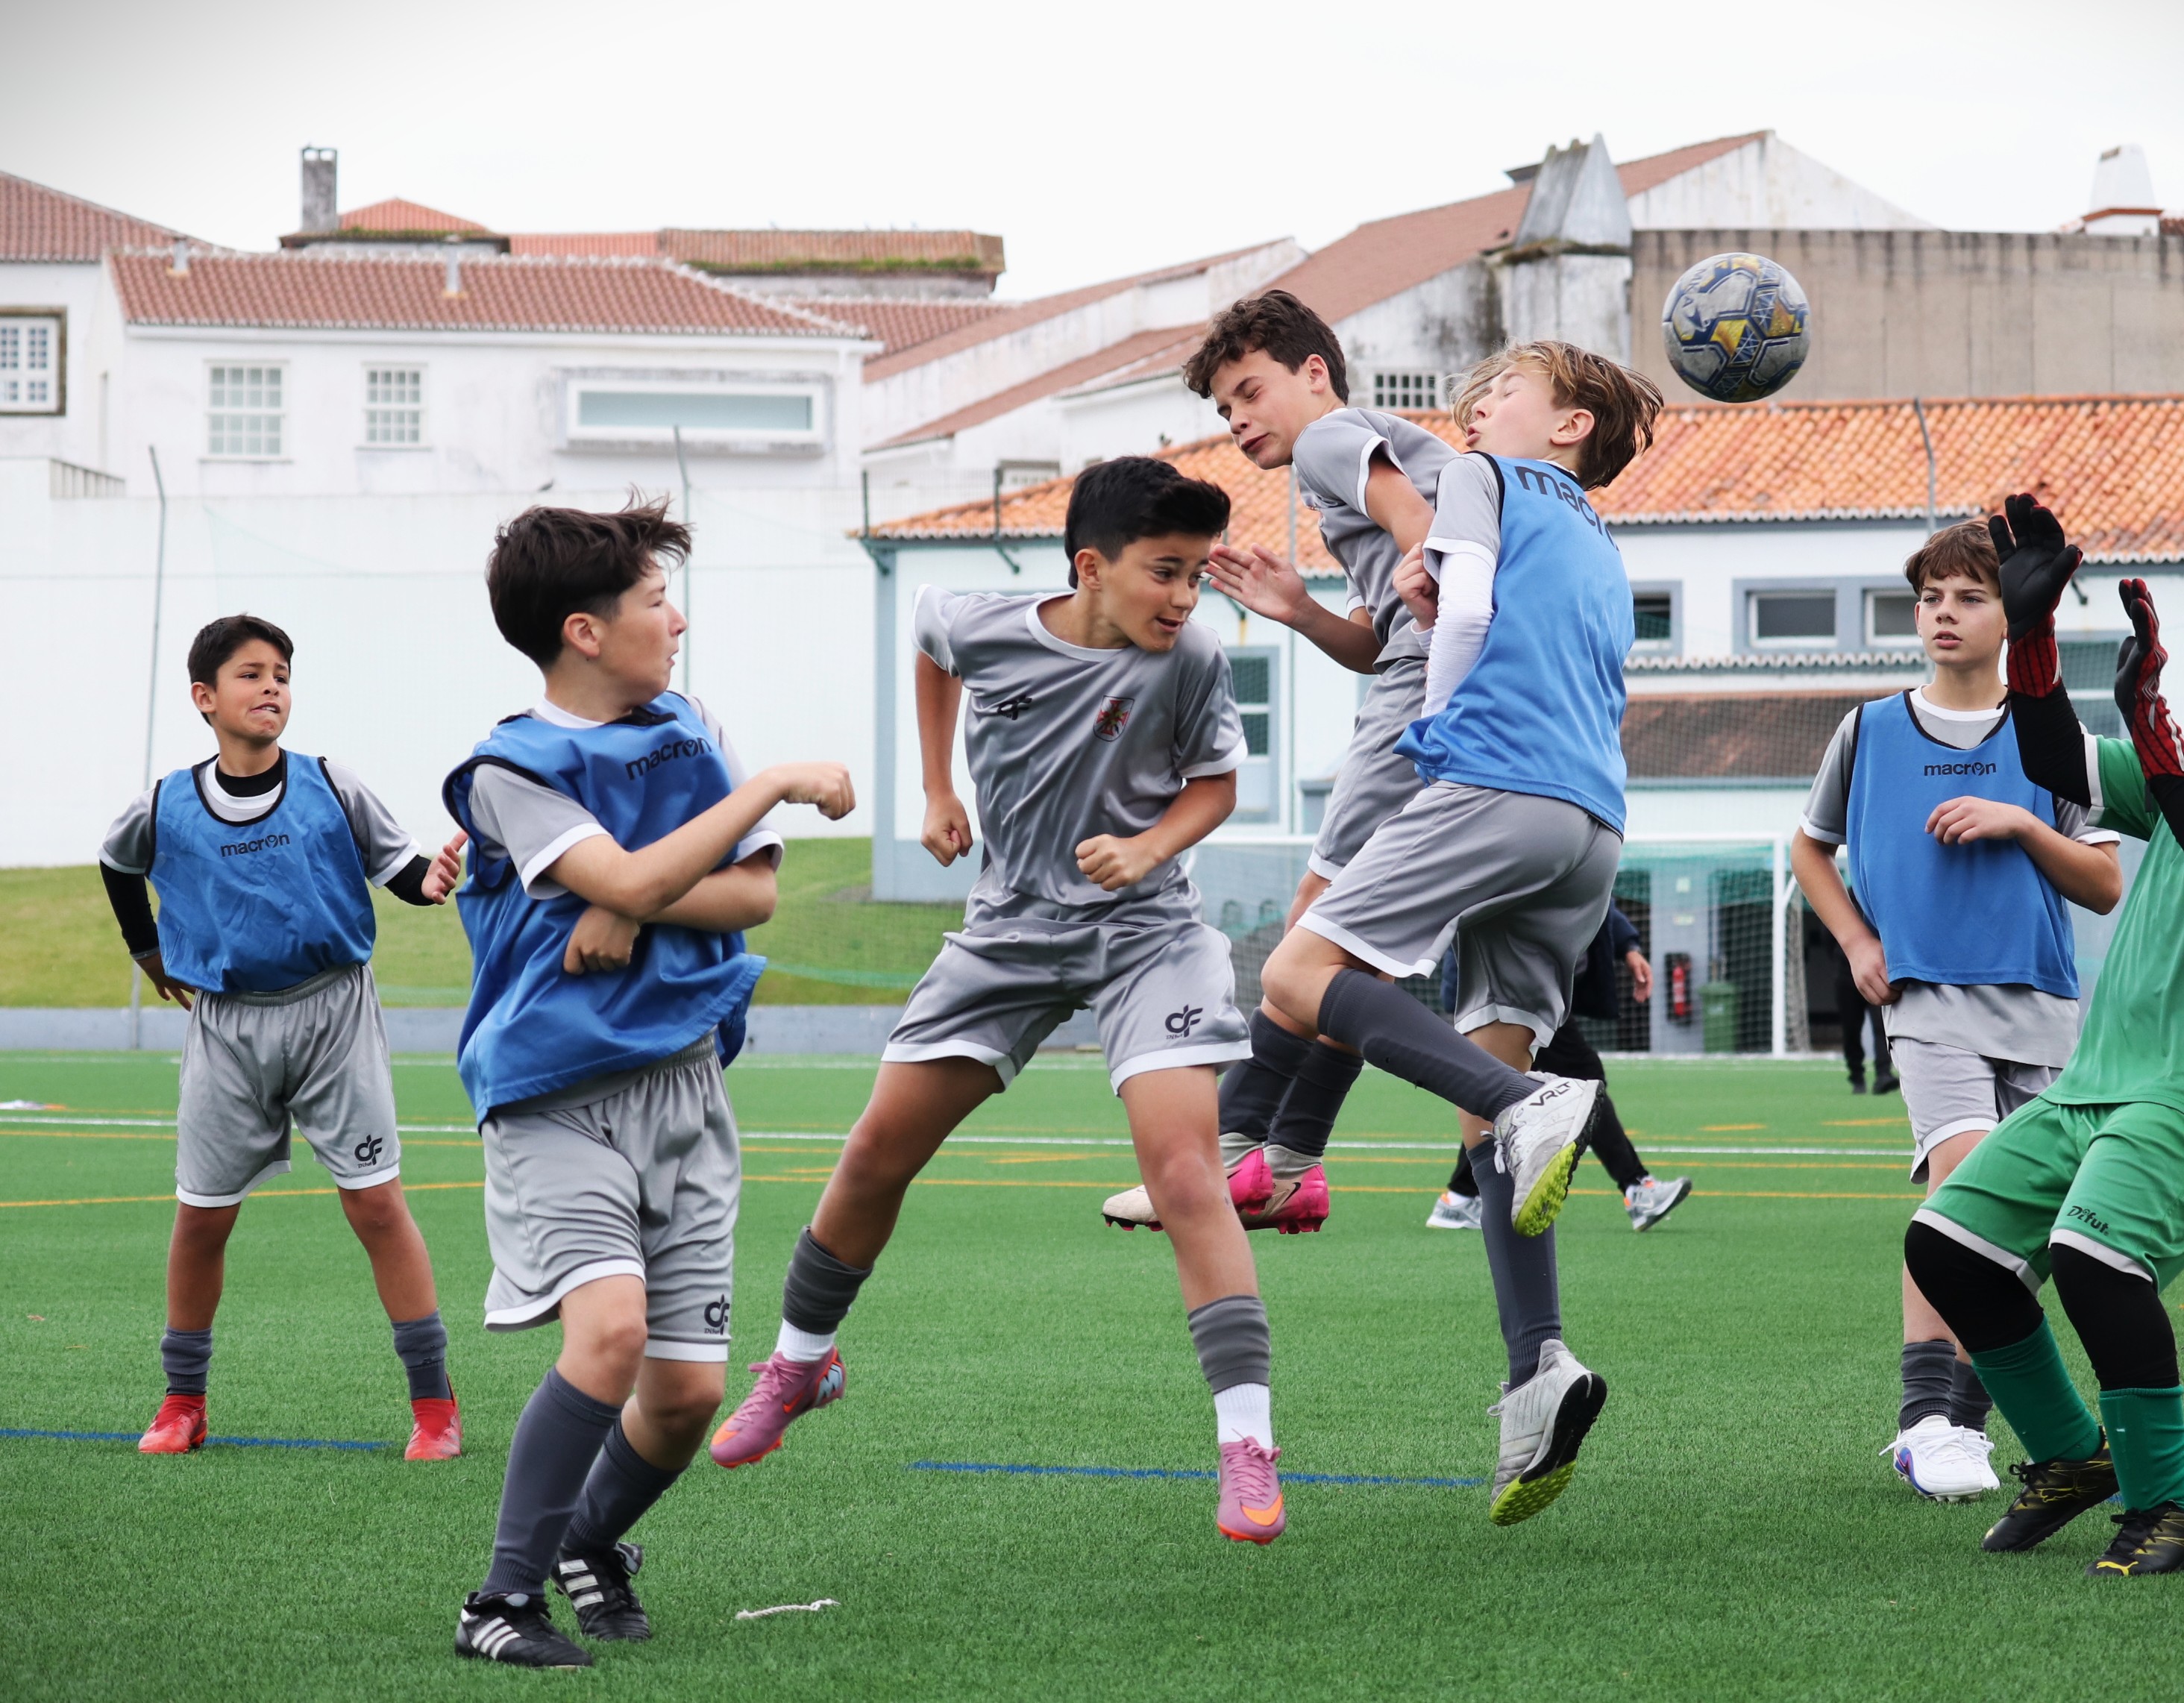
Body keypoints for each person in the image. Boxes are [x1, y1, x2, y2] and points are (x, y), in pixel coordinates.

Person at [708, 460, 1287, 1546]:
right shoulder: (979, 617)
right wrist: (935, 787)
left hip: (1147, 933)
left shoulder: (1194, 658)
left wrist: (1150, 845)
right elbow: (933, 648)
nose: (1184, 597)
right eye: (1166, 571)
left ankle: (1246, 1444)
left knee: (1182, 1171)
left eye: (1197, 575)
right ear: (1090, 566)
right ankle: (798, 1363)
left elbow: (1216, 784)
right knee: (877, 1149)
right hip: (1009, 929)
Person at [1901, 493, 2184, 1583]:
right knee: (1947, 1245)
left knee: (2093, 1258)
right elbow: (2057, 755)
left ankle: (2175, 1503)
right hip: (2095, 1087)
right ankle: (2072, 1455)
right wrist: (2030, 635)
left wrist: (2153, 714)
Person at [1255, 340, 1663, 1524]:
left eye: (1503, 390)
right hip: (1591, 823)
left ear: (1569, 421)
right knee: (1487, 1090)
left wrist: (1436, 719)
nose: (1477, 407)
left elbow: (1463, 599)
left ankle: (1523, 1113)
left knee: (1298, 965)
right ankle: (1540, 1368)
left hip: (1497, 781)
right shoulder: (1596, 533)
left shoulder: (1485, 477)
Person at [442, 501, 855, 1667]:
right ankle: (499, 1602)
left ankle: (588, 1542)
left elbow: (748, 896)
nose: (676, 620)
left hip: (684, 1089)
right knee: (610, 1331)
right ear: (583, 629)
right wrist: (765, 783)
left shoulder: (686, 725)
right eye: (653, 602)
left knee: (682, 1395)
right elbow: (638, 863)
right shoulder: (511, 768)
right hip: (554, 1091)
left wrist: (622, 900)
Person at [1104, 290, 1457, 1235]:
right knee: (1357, 955)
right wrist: (1300, 611)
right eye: (1222, 410)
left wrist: (1426, 571)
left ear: (1313, 373)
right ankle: (1292, 1164)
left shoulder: (1332, 438)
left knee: (1312, 928)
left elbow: (1411, 521)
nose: (1237, 420)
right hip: (1446, 689)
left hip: (1424, 695)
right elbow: (1381, 636)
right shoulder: (1340, 460)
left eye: (1248, 392)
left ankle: (1234, 1152)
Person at [1792, 518, 2124, 1505]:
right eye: (1930, 595)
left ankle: (1957, 1417)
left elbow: (2104, 882)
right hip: (1929, 1002)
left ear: (2011, 612)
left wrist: (2021, 821)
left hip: (2046, 1004)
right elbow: (1811, 847)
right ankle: (1930, 1419)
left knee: (2026, 1228)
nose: (1944, 611)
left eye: (1969, 595)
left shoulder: (2052, 734)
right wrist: (1857, 940)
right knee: (1966, 1192)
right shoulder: (1870, 728)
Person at [100, 613, 467, 1461]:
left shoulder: (329, 784)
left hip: (333, 1013)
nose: (272, 687)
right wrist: (148, 952)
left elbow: (403, 873)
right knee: (201, 1221)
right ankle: (182, 1401)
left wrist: (434, 879)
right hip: (226, 1027)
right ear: (205, 697)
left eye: (283, 675)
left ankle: (434, 1407)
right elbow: (118, 865)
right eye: (251, 674)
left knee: (377, 1205)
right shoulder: (164, 803)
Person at [1427, 903, 1692, 1232]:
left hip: (1529, 986)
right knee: (1581, 1082)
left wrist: (1627, 946)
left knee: (1505, 1092)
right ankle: (1637, 1188)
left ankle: (1461, 1196)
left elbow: (1595, 892)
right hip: (1511, 985)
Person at [1834, 941, 1897, 1096]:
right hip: (1846, 979)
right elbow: (1829, 941)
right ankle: (1857, 1077)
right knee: (1851, 1030)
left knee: (1881, 1027)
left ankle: (1883, 1074)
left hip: (1877, 976)